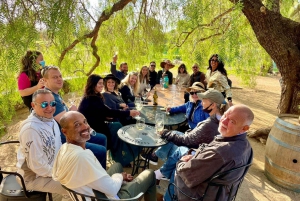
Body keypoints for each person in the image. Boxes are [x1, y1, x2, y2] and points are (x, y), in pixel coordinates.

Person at [52, 111, 157, 201]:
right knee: (150, 174)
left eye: (84, 121)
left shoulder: (64, 149)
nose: (85, 127)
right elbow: (112, 190)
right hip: (105, 198)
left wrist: (118, 179)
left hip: (93, 191)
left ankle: (124, 183)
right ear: (64, 132)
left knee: (117, 165)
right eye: (77, 125)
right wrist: (120, 177)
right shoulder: (82, 157)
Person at [174, 105, 254, 201]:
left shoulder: (219, 152)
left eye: (232, 121)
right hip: (223, 195)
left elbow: (186, 174)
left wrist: (181, 161)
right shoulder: (247, 146)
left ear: (244, 128)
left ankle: (167, 197)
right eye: (225, 116)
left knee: (175, 164)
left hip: (197, 196)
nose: (223, 121)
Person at [43, 66, 107, 168]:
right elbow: (67, 123)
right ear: (45, 81)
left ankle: (95, 169)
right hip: (66, 139)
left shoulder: (56, 95)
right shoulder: (49, 97)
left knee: (102, 138)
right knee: (101, 151)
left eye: (60, 76)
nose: (59, 79)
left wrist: (71, 111)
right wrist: (73, 112)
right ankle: (96, 175)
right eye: (55, 77)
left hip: (71, 134)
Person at [142, 89, 225, 167]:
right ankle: (160, 163)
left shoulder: (209, 121)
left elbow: (188, 140)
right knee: (174, 138)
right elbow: (179, 108)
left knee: (174, 140)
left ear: (213, 105)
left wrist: (165, 133)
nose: (195, 95)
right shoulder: (191, 104)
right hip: (197, 139)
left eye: (203, 99)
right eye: (192, 93)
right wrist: (170, 109)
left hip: (198, 148)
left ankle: (162, 168)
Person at [16, 89, 71, 201]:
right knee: (77, 186)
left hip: (50, 170)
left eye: (53, 103)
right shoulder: (31, 129)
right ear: (33, 105)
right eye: (44, 104)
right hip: (32, 178)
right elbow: (37, 166)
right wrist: (60, 173)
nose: (50, 108)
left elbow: (58, 147)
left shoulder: (50, 120)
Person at [78, 74, 140, 166]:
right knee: (117, 127)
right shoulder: (91, 98)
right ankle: (120, 156)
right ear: (93, 84)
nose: (102, 85)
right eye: (99, 83)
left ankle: (120, 156)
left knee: (117, 126)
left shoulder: (96, 96)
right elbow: (108, 112)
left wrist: (106, 116)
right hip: (92, 128)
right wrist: (129, 113)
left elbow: (102, 111)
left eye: (102, 83)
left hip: (98, 123)